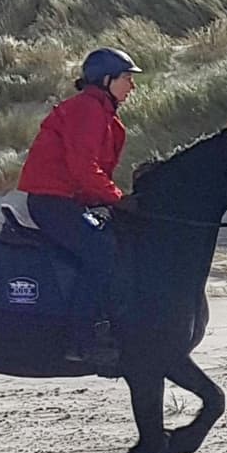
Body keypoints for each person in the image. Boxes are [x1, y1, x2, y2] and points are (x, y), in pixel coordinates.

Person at [19, 47, 137, 361]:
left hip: (68, 200)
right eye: (127, 78)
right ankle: (80, 339)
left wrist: (112, 198)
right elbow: (83, 168)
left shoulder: (100, 112)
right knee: (100, 251)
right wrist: (117, 199)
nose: (132, 86)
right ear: (107, 80)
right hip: (52, 202)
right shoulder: (88, 109)